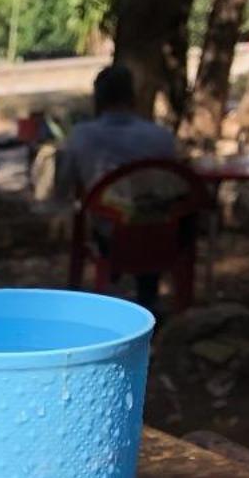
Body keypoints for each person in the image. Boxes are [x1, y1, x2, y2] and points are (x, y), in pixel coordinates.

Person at [53, 67, 183, 307]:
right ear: (133, 97)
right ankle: (150, 299)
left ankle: (116, 294)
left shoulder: (81, 136)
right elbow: (177, 186)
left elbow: (63, 186)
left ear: (97, 99)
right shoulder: (161, 137)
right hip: (162, 233)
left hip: (110, 234)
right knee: (149, 216)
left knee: (115, 218)